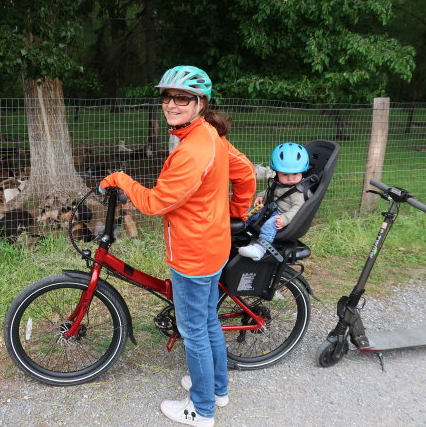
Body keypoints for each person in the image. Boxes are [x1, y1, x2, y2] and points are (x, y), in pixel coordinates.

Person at [99, 65, 256, 426]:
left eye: (182, 97)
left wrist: (121, 178)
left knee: (194, 331)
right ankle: (218, 388)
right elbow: (245, 171)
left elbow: (156, 203)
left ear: (201, 103)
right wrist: (236, 211)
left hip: (192, 254)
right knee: (208, 320)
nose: (171, 103)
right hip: (213, 244)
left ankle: (201, 410)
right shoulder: (208, 135)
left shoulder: (193, 150)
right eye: (167, 96)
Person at [238, 142, 310, 261]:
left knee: (270, 224)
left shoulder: (299, 192)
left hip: (282, 219)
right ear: (276, 172)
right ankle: (238, 233)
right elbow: (271, 192)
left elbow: (298, 209)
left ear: (303, 171)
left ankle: (259, 249)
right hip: (270, 210)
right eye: (285, 174)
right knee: (249, 213)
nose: (290, 178)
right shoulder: (279, 183)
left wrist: (284, 219)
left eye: (295, 174)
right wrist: (262, 196)